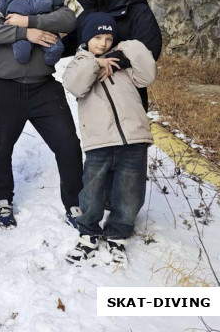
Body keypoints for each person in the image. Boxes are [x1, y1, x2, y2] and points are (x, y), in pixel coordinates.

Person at [0, 0, 82, 229]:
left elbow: (69, 20)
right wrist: (26, 33)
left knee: (68, 144)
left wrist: (31, 20)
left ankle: (75, 202)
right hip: (3, 87)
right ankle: (4, 199)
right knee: (0, 147)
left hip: (43, 87)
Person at [62, 14, 157, 264]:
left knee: (130, 191)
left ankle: (118, 233)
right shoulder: (77, 63)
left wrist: (126, 50)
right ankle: (88, 233)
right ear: (86, 39)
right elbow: (76, 85)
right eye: (97, 38)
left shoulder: (124, 62)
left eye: (108, 38)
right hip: (100, 140)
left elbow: (147, 75)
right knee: (92, 191)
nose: (103, 43)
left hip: (134, 137)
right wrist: (97, 63)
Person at [66, 0, 162, 111]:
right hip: (93, 87)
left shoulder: (138, 9)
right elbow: (74, 40)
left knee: (130, 132)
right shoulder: (93, 7)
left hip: (126, 88)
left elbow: (150, 46)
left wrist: (112, 62)